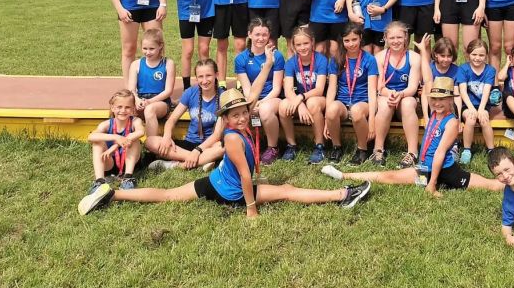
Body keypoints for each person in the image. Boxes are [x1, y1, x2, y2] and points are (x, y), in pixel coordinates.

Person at [79, 88, 372, 215]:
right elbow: (246, 177)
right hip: (229, 192)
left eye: (244, 112)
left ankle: (113, 194)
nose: (242, 118)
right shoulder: (232, 139)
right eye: (235, 115)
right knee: (286, 189)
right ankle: (343, 195)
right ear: (226, 120)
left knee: (169, 196)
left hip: (216, 181)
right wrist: (251, 209)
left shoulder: (240, 130)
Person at [320, 77, 503, 196]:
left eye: (442, 100)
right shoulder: (434, 112)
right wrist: (424, 51)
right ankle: (343, 175)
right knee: (390, 177)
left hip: (447, 172)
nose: (437, 103)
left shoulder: (452, 122)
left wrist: (431, 185)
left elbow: (440, 153)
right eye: (434, 99)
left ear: (450, 101)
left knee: (492, 185)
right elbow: (428, 79)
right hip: (425, 168)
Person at [144, 59, 225, 171]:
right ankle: (203, 161)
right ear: (196, 78)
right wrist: (167, 137)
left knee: (223, 147)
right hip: (189, 143)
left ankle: (176, 165)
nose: (205, 80)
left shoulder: (224, 97)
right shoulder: (191, 92)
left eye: (208, 76)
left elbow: (217, 134)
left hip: (209, 145)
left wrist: (198, 151)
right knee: (150, 141)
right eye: (200, 76)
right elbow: (172, 120)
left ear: (216, 75)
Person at [234, 19, 292, 162]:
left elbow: (277, 88)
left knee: (265, 109)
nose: (261, 38)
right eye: (257, 34)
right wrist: (252, 104)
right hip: (251, 98)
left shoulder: (276, 56)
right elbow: (247, 89)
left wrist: (260, 103)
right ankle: (243, 145)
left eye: (264, 35)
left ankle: (273, 148)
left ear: (269, 36)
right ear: (249, 34)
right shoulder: (241, 59)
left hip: (272, 98)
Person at [325, 24, 378, 165]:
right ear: (342, 41)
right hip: (343, 102)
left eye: (354, 39)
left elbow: (372, 91)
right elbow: (331, 89)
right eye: (347, 40)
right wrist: (327, 118)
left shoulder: (370, 60)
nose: (351, 44)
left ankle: (362, 149)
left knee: (356, 111)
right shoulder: (336, 59)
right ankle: (337, 147)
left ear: (361, 38)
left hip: (362, 102)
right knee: (331, 109)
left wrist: (372, 119)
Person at [372, 21, 422, 167]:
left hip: (405, 96)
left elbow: (413, 87)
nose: (396, 41)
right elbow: (380, 86)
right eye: (392, 38)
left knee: (408, 104)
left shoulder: (413, 57)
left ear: (406, 37)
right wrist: (390, 94)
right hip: (387, 95)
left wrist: (400, 94)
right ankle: (378, 149)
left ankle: (412, 152)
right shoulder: (379, 57)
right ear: (385, 38)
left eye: (399, 37)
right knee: (383, 103)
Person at [281, 26, 329, 164]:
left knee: (312, 102)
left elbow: (319, 89)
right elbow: (288, 89)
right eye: (298, 44)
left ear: (312, 42)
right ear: (293, 46)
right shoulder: (291, 63)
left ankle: (320, 145)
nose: (302, 47)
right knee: (284, 105)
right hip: (299, 101)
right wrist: (300, 105)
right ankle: (291, 145)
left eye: (306, 43)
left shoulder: (321, 60)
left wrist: (301, 98)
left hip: (318, 99)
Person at [86, 90, 144, 193]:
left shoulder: (135, 121)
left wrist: (114, 146)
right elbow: (91, 136)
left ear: (133, 109)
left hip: (130, 163)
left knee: (134, 140)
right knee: (97, 143)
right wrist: (115, 137)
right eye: (119, 107)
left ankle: (128, 178)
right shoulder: (106, 124)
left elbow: (141, 132)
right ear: (112, 108)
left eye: (127, 107)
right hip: (110, 163)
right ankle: (99, 181)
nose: (123, 110)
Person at [456, 38, 500, 164]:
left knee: (484, 119)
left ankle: (491, 150)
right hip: (467, 104)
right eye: (474, 54)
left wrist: (481, 109)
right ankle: (467, 150)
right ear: (468, 54)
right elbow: (463, 92)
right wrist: (471, 109)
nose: (477, 58)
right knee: (470, 119)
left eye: (481, 55)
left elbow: (486, 91)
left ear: (486, 56)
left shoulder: (490, 70)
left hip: (482, 104)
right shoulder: (463, 69)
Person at [126, 28, 175, 137]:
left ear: (160, 46)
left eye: (151, 49)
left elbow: (168, 91)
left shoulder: (168, 63)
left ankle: (151, 147)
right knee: (122, 106)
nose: (147, 52)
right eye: (145, 48)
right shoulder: (136, 64)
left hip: (160, 102)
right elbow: (131, 89)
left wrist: (150, 102)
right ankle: (124, 143)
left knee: (150, 109)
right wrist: (137, 100)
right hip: (141, 100)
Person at [416, 34, 459, 119]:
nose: (446, 59)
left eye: (449, 56)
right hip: (432, 105)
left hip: (449, 107)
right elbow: (425, 93)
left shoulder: (456, 70)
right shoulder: (430, 68)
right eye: (442, 56)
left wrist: (459, 118)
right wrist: (426, 117)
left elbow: (457, 96)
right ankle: (431, 115)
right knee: (427, 85)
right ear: (436, 54)